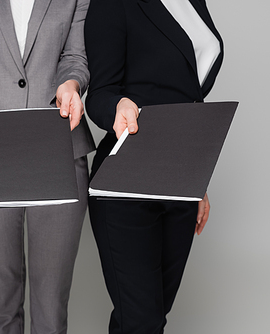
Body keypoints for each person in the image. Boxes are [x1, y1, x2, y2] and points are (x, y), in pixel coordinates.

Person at [0, 0, 95, 332]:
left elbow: (76, 56)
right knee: (1, 304)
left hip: (59, 146)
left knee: (51, 307)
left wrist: (70, 85)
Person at [84, 0, 223, 333]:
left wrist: (196, 179)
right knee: (141, 321)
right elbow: (99, 94)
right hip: (126, 181)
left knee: (153, 317)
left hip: (181, 181)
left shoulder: (194, 2)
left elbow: (187, 98)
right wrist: (118, 106)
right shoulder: (114, 4)